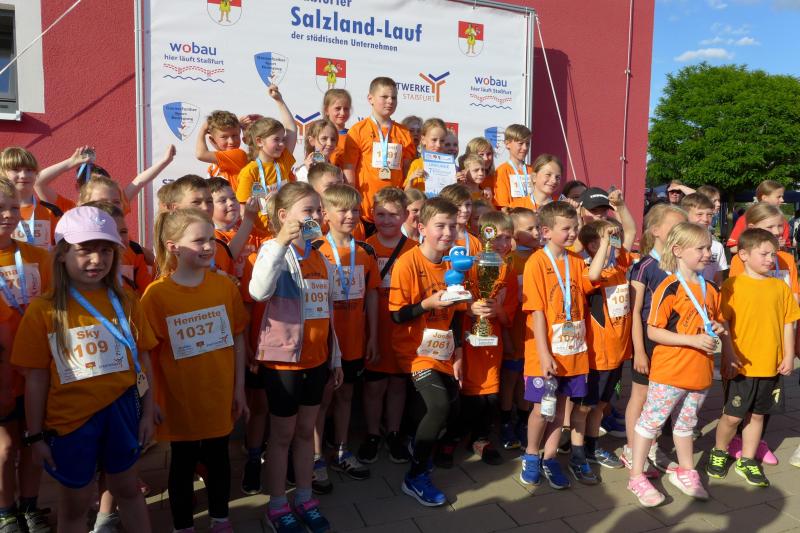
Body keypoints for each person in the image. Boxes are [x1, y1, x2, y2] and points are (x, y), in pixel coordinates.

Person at [11, 206, 157, 531]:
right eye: (85, 250)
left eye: (106, 250)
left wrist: (148, 413)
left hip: (122, 411)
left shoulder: (127, 301)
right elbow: (36, 379)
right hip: (70, 421)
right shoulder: (44, 310)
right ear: (62, 253)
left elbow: (143, 360)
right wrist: (35, 437)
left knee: (128, 490)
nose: (97, 259)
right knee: (75, 505)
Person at [141, 208, 249, 532]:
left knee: (218, 458)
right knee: (183, 462)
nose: (208, 246)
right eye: (199, 240)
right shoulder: (156, 295)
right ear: (173, 247)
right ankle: (183, 526)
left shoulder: (224, 287)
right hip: (180, 400)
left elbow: (237, 338)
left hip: (219, 394)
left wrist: (239, 389)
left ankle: (221, 519)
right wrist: (150, 401)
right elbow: (145, 354)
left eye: (211, 240)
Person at [249, 182, 343, 532]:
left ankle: (304, 498)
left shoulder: (320, 256)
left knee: (306, 432)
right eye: (308, 210)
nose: (316, 216)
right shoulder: (271, 250)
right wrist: (279, 242)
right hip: (283, 363)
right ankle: (277, 506)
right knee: (282, 436)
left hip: (317, 361)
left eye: (318, 210)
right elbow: (259, 291)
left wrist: (335, 357)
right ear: (284, 215)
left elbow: (327, 312)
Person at [628, 221, 727, 507]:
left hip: (700, 372)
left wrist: (717, 328)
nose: (707, 253)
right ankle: (636, 475)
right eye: (701, 248)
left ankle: (686, 470)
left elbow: (713, 320)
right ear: (678, 250)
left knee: (686, 423)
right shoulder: (668, 287)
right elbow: (653, 331)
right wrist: (692, 340)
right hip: (670, 371)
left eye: (709, 248)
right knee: (651, 422)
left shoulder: (711, 288)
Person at [388, 197, 469, 507]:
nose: (448, 233)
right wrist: (427, 304)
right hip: (414, 350)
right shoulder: (407, 263)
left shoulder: (454, 262)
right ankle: (416, 476)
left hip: (443, 350)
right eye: (440, 226)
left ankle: (415, 442)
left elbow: (457, 313)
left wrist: (458, 352)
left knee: (451, 407)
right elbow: (396, 315)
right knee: (438, 406)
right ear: (421, 228)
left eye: (453, 226)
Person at [706, 228, 800, 488]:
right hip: (741, 365)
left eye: (773, 254)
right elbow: (723, 323)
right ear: (744, 255)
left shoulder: (780, 287)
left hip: (770, 365)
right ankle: (719, 451)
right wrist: (728, 353)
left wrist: (788, 355)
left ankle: (747, 459)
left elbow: (788, 323)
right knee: (733, 416)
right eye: (764, 254)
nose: (771, 259)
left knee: (758, 415)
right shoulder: (731, 286)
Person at [519, 201, 598, 489]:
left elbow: (593, 280)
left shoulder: (576, 261)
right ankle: (531, 454)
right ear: (546, 231)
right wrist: (543, 354)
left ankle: (550, 457)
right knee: (543, 408)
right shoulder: (536, 263)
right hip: (545, 353)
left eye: (575, 227)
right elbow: (537, 311)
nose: (573, 233)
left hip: (573, 352)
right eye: (566, 228)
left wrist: (605, 244)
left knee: (561, 409)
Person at [314, 185, 380, 482]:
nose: (350, 215)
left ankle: (341, 451)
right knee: (321, 400)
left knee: (346, 396)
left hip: (354, 340)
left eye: (354, 210)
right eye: (342, 210)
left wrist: (373, 335)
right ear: (325, 214)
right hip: (324, 341)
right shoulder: (315, 249)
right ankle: (315, 457)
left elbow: (372, 295)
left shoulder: (365, 251)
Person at [0, 178, 52, 533]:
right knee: (5, 450)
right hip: (1, 374)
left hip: (34, 372)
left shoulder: (37, 256)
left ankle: (30, 507)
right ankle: (6, 512)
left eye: (12, 208)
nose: (7, 215)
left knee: (34, 442)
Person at [623, 204, 687, 475]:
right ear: (656, 231)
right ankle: (631, 448)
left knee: (661, 398)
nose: (680, 232)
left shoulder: (681, 263)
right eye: (675, 227)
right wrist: (639, 350)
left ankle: (651, 447)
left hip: (672, 340)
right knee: (641, 395)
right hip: (648, 341)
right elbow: (635, 312)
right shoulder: (644, 266)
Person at [456, 210, 518, 465]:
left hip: (492, 344)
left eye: (508, 238)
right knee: (465, 392)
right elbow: (453, 301)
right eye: (497, 237)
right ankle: (454, 436)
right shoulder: (467, 266)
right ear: (483, 237)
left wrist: (498, 310)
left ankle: (480, 438)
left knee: (490, 394)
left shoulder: (508, 272)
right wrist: (468, 307)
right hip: (466, 342)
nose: (503, 244)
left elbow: (507, 317)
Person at [360, 187, 417, 464]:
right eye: (381, 214)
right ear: (372, 214)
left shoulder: (414, 248)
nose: (386, 220)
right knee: (374, 386)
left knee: (397, 384)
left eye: (393, 215)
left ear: (405, 215)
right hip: (374, 327)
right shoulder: (364, 247)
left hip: (403, 328)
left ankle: (393, 432)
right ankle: (372, 433)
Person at [576, 218, 634, 471]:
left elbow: (631, 230)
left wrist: (619, 206)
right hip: (598, 355)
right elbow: (593, 275)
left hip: (619, 352)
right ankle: (579, 449)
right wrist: (604, 244)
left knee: (601, 405)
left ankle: (591, 445)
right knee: (586, 407)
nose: (615, 241)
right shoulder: (588, 270)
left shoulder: (618, 265)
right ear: (592, 246)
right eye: (608, 238)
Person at [345, 77, 416, 227]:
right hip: (364, 211)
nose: (390, 101)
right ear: (370, 98)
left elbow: (407, 170)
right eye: (384, 97)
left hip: (395, 212)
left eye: (394, 97)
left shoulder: (404, 132)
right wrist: (352, 201)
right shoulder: (358, 130)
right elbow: (349, 168)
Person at [499, 207, 539, 450]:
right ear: (513, 233)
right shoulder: (509, 261)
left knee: (527, 378)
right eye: (530, 229)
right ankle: (505, 421)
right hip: (513, 329)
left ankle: (524, 421)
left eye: (537, 227)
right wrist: (506, 334)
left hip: (534, 332)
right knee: (510, 377)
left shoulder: (541, 256)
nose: (536, 232)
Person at [235, 85, 298, 236]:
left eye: (283, 139)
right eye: (276, 139)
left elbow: (291, 129)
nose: (282, 144)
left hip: (286, 231)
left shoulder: (282, 161)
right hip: (261, 236)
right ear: (259, 141)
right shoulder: (249, 172)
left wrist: (279, 101)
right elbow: (243, 212)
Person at [163, 175, 235, 276]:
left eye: (209, 201)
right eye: (196, 202)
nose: (205, 207)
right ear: (175, 208)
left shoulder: (220, 248)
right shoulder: (173, 250)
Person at [209, 177, 261, 279]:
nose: (231, 203)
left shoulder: (250, 230)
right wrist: (248, 219)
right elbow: (228, 256)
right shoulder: (211, 236)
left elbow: (271, 241)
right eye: (223, 200)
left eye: (233, 198)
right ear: (209, 207)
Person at [726, 180, 788, 252]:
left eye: (782, 196)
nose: (782, 200)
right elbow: (733, 248)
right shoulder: (746, 218)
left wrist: (782, 246)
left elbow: (786, 249)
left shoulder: (782, 221)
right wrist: (759, 246)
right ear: (764, 198)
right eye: (778, 197)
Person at [195, 110, 250, 192]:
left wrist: (202, 130)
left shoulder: (238, 154)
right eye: (224, 137)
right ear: (213, 140)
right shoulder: (213, 166)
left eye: (235, 135)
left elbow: (200, 155)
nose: (231, 141)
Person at [681, 193, 727, 285]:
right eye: (699, 214)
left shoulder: (717, 247)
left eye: (709, 214)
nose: (705, 219)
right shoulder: (679, 244)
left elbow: (718, 280)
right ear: (686, 215)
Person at [321, 88, 357, 184]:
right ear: (326, 110)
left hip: (348, 188)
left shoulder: (353, 136)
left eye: (346, 109)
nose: (342, 113)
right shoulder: (318, 135)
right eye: (337, 108)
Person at [492, 125, 532, 210]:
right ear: (507, 144)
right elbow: (503, 207)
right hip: (513, 217)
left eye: (527, 143)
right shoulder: (502, 171)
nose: (525, 148)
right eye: (520, 143)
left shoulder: (533, 170)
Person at [404, 118, 448, 193]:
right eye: (434, 140)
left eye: (442, 141)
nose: (438, 145)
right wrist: (412, 179)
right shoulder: (417, 164)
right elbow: (407, 192)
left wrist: (457, 180)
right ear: (423, 140)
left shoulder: (449, 165)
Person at [293, 119, 339, 183]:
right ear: (312, 141)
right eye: (324, 138)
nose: (329, 143)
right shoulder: (302, 172)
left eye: (333, 139)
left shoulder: (336, 171)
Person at [439, 184, 482, 252]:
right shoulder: (438, 239)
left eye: (468, 205)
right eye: (458, 205)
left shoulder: (475, 242)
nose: (465, 210)